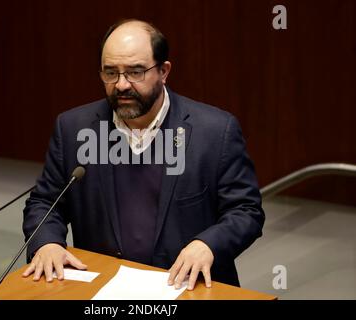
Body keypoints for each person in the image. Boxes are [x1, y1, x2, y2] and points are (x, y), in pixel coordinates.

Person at [22, 19, 265, 290]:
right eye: (110, 72)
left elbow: (246, 211)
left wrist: (208, 244)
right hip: (106, 288)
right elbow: (45, 202)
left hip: (187, 289)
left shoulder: (215, 131)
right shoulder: (73, 128)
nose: (122, 85)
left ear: (163, 71)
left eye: (135, 72)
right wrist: (47, 243)